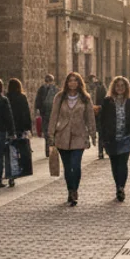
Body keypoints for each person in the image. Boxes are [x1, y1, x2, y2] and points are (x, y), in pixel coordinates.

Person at [49, 72, 96, 206]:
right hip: (62, 135)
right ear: (67, 83)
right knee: (67, 166)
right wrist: (50, 135)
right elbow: (54, 116)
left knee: (75, 165)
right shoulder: (60, 97)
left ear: (79, 83)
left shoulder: (85, 98)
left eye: (75, 80)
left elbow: (90, 117)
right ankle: (70, 189)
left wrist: (93, 134)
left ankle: (75, 190)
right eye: (70, 80)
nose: (72, 83)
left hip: (79, 135)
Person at [100, 76, 130, 202]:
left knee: (123, 163)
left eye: (122, 86)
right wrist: (102, 137)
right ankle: (118, 185)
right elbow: (102, 121)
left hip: (126, 137)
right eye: (117, 86)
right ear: (113, 87)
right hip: (111, 138)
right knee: (114, 164)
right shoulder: (107, 101)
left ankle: (121, 187)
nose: (120, 88)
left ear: (126, 87)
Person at [6, 78, 32, 187]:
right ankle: (18, 170)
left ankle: (11, 173)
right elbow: (26, 113)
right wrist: (28, 128)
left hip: (9, 128)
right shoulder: (22, 97)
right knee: (19, 150)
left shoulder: (6, 97)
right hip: (20, 127)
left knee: (10, 151)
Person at [34, 74, 56, 157]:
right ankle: (48, 150)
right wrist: (38, 110)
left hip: (52, 114)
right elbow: (38, 101)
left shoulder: (54, 89)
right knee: (47, 133)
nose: (48, 83)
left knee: (51, 132)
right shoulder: (43, 89)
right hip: (45, 114)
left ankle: (51, 149)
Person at [88, 74, 107, 159]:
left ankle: (101, 151)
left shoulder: (101, 88)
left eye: (94, 80)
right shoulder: (86, 89)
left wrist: (99, 107)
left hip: (100, 113)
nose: (93, 82)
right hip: (90, 113)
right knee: (97, 132)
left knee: (101, 132)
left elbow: (105, 100)